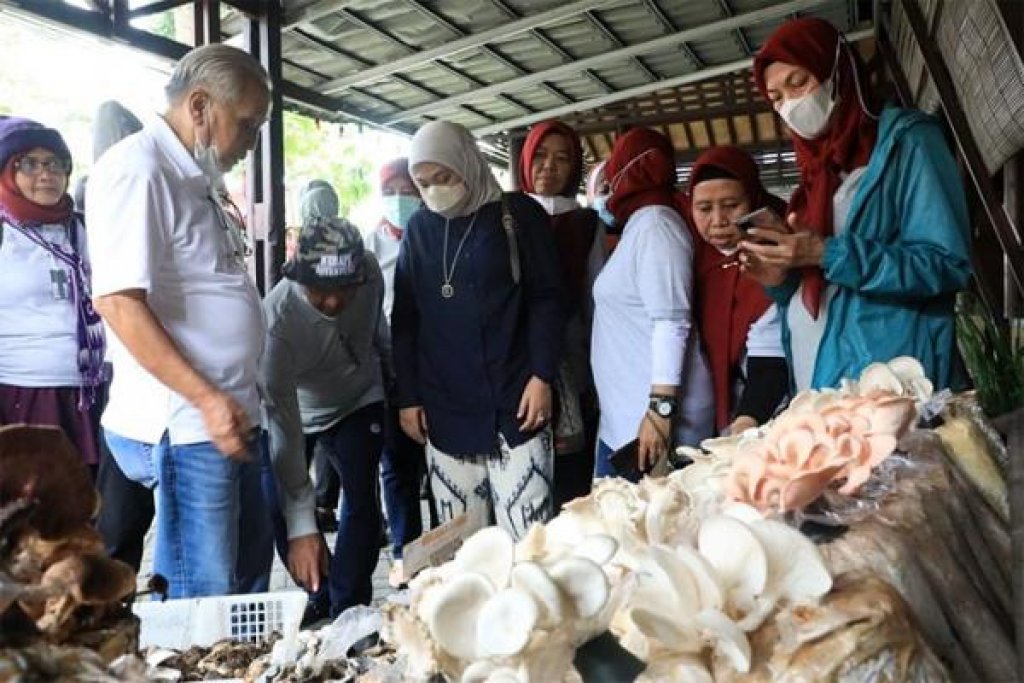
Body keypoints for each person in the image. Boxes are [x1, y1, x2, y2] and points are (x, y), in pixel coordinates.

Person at [86, 44, 272, 598]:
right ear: (199, 106)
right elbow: (119, 302)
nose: (252, 141)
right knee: (202, 601)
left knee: (243, 586)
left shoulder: (194, 176)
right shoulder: (138, 169)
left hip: (228, 417)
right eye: (247, 123)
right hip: (189, 425)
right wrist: (207, 399)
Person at [742, 17, 972, 391]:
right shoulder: (815, 174)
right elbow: (822, 287)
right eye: (777, 98)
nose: (789, 105)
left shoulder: (907, 143)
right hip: (817, 372)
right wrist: (781, 283)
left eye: (798, 82)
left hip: (889, 377)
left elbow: (947, 264)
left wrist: (827, 253)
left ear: (836, 70)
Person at [392, 120, 564, 541]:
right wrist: (408, 397)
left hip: (516, 402)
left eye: (444, 178)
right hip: (445, 408)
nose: (435, 191)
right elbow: (406, 319)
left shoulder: (519, 215)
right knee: (460, 551)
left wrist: (542, 375)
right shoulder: (419, 230)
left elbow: (549, 298)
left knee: (529, 541)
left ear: (466, 164)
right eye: (424, 182)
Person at [262, 216, 389, 620]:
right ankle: (317, 590)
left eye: (343, 290)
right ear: (300, 278)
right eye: (321, 291)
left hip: (359, 395)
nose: (334, 302)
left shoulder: (369, 273)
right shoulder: (277, 321)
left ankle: (348, 606)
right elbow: (282, 427)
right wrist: (303, 527)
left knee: (361, 500)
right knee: (281, 504)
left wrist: (400, 388)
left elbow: (377, 332)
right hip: (298, 407)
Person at [591, 128, 713, 479]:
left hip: (651, 430)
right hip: (628, 421)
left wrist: (660, 410)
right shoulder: (639, 224)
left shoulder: (657, 225)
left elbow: (671, 320)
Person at [0, 117, 106, 469]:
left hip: (91, 390)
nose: (46, 174)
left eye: (56, 163)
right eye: (29, 164)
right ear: (7, 172)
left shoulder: (84, 227)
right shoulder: (4, 233)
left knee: (87, 504)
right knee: (30, 509)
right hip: (24, 390)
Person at [517, 121, 604, 509]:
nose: (548, 167)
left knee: (569, 481)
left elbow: (595, 300)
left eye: (562, 158)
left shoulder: (585, 224)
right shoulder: (505, 216)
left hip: (573, 362)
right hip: (516, 368)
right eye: (540, 155)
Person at [687, 146, 790, 435]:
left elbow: (771, 360)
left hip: (767, 416)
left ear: (754, 200)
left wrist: (746, 421)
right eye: (704, 209)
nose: (718, 220)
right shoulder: (691, 261)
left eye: (731, 205)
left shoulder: (775, 256)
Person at [366, 157, 435, 587]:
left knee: (444, 464)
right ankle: (407, 556)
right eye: (390, 192)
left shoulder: (436, 235)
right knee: (398, 468)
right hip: (391, 375)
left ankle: (448, 550)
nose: (399, 200)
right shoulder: (369, 247)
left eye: (407, 191)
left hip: (439, 369)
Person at [295, 179, 343, 531]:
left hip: (312, 378)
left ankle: (311, 511)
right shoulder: (353, 249)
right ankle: (320, 507)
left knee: (308, 447)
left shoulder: (298, 253)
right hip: (335, 376)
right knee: (323, 446)